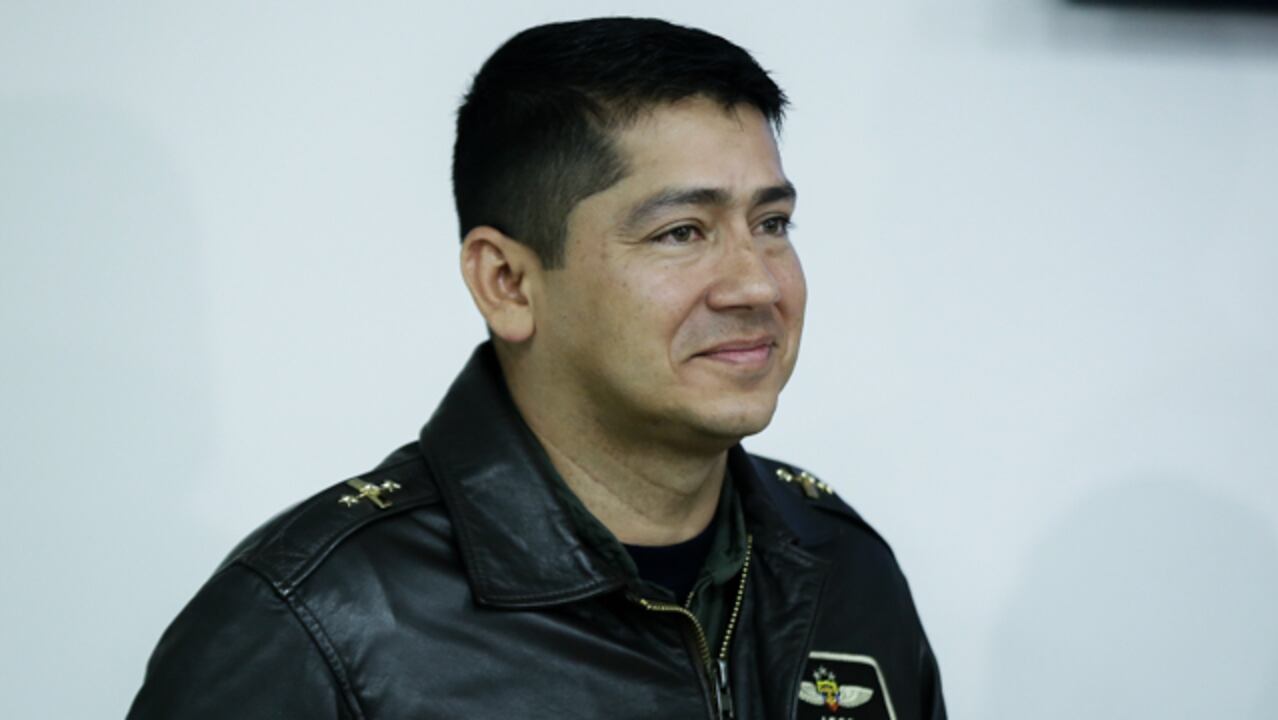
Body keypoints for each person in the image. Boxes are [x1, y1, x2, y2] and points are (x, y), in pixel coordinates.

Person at [128, 17, 946, 720]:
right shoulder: (313, 626)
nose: (758, 285)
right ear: (508, 284)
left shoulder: (842, 567)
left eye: (772, 223)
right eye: (681, 233)